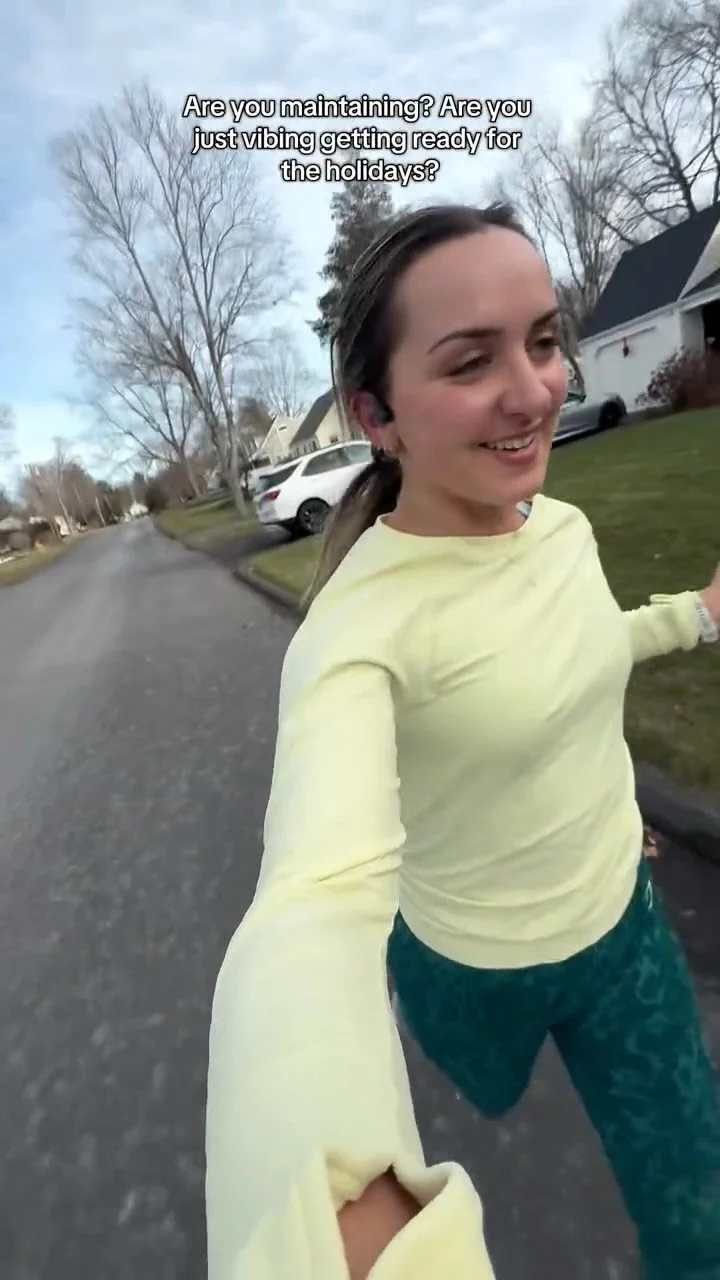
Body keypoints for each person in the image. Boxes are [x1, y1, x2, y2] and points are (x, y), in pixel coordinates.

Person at [205, 203, 720, 1280]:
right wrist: (320, 1193)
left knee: (699, 1202)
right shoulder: (355, 632)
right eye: (470, 361)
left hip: (622, 931)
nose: (533, 390)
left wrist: (698, 616)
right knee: (484, 1090)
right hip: (468, 967)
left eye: (544, 341)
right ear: (377, 413)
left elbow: (575, 658)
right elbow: (312, 899)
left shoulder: (563, 528)